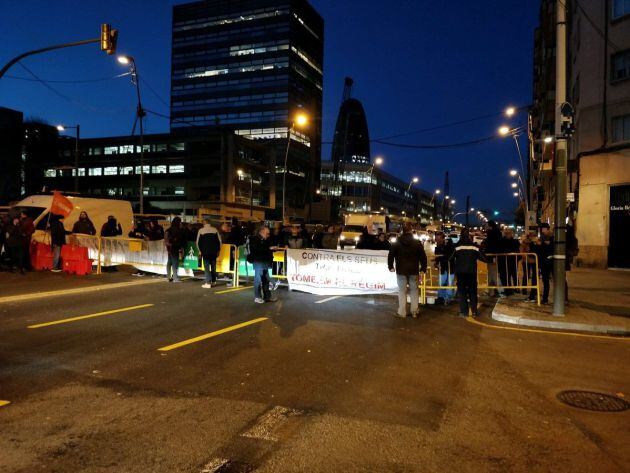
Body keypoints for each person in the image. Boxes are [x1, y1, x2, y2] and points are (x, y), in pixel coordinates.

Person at [388, 222, 427, 318]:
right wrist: (423, 268)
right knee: (414, 290)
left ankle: (402, 312)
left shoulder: (397, 241)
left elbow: (391, 255)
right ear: (410, 230)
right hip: (414, 270)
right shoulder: (417, 242)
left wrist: (391, 266)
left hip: (401, 270)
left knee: (402, 291)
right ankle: (414, 311)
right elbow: (423, 257)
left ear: (402, 231)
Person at [450, 229, 485, 317]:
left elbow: (450, 257)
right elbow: (482, 257)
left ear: (461, 235)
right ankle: (474, 312)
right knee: (472, 292)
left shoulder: (457, 246)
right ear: (469, 235)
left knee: (462, 292)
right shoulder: (474, 246)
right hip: (471, 272)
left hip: (461, 272)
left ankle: (464, 312)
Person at [248, 226, 277, 304]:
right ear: (261, 232)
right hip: (258, 261)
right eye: (267, 233)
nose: (268, 235)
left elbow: (264, 249)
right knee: (258, 279)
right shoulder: (254, 239)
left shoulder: (264, 239)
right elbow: (257, 250)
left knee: (265, 280)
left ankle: (267, 296)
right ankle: (257, 297)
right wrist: (269, 248)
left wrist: (271, 249)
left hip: (264, 261)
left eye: (268, 234)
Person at [196, 218, 222, 288]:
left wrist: (199, 251)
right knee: (213, 267)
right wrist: (218, 250)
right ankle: (213, 281)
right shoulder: (215, 230)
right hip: (214, 252)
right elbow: (219, 241)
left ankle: (208, 283)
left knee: (206, 267)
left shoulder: (201, 230)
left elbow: (197, 242)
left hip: (205, 252)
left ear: (204, 222)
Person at [434, 232, 456, 305]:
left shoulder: (449, 244)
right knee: (441, 282)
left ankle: (448, 298)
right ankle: (441, 297)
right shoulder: (438, 245)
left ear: (443, 238)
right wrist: (436, 262)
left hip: (450, 266)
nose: (437, 240)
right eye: (436, 239)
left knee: (449, 283)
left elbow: (452, 254)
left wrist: (444, 258)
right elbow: (437, 255)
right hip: (442, 267)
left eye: (438, 239)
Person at [536, 223, 554, 304]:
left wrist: (542, 244)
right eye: (541, 229)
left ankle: (558, 298)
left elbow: (551, 248)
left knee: (551, 281)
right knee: (545, 281)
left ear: (547, 229)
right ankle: (545, 299)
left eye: (543, 228)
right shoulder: (542, 237)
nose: (542, 230)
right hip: (544, 262)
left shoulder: (551, 237)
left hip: (550, 261)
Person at [484, 220, 502, 296]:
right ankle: (491, 290)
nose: (485, 226)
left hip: (491, 255)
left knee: (493, 273)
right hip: (495, 255)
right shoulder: (498, 232)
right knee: (492, 273)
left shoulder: (490, 233)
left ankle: (498, 290)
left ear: (490, 225)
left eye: (486, 225)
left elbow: (489, 244)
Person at [165, 217, 185, 282]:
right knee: (175, 263)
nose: (180, 223)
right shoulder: (178, 230)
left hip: (169, 248)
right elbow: (180, 240)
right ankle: (175, 278)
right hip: (175, 248)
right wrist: (181, 248)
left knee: (169, 262)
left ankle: (168, 277)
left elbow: (166, 239)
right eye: (180, 222)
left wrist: (168, 245)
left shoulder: (168, 229)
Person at [501, 228, 520, 295]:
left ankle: (510, 289)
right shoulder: (515, 241)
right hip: (512, 260)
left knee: (509, 275)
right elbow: (517, 250)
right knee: (513, 274)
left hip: (508, 260)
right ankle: (515, 288)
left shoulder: (503, 241)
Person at [519, 232, 538, 302]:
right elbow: (522, 252)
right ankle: (527, 289)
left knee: (530, 276)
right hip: (529, 261)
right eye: (532, 236)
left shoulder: (534, 243)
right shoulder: (526, 243)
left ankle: (530, 290)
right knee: (529, 276)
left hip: (530, 261)